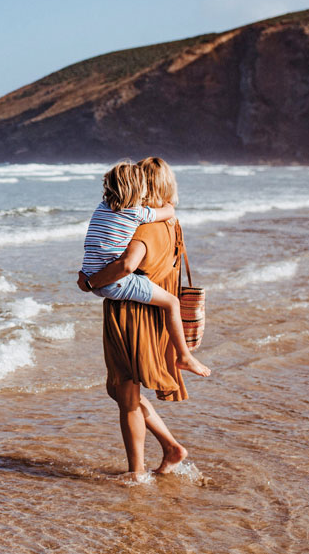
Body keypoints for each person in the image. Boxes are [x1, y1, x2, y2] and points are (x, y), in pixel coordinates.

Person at [79, 157, 199, 478]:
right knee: (119, 391)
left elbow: (127, 264)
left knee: (126, 394)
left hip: (131, 315)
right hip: (153, 314)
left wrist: (90, 281)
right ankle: (171, 448)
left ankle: (137, 473)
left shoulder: (142, 227)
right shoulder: (172, 224)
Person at [79, 161, 209, 378]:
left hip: (92, 274)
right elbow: (128, 264)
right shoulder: (137, 214)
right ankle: (184, 356)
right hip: (114, 282)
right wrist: (168, 205)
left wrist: (90, 282)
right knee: (172, 303)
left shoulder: (101, 209)